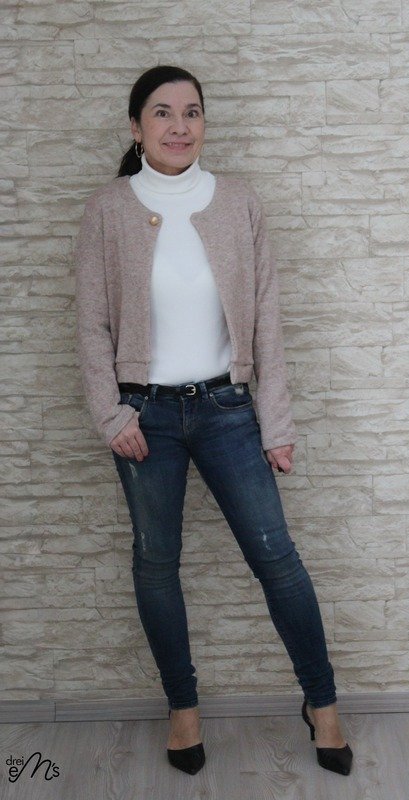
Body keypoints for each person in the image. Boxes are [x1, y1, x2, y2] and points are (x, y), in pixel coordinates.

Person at [74, 64, 352, 777]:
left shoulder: (238, 203)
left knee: (277, 559)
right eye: (162, 113)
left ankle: (322, 703)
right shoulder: (108, 209)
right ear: (136, 127)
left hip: (228, 410)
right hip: (144, 417)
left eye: (191, 112)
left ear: (204, 122)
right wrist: (110, 414)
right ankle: (183, 710)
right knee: (155, 563)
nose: (179, 126)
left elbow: (266, 324)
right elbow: (91, 324)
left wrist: (276, 424)